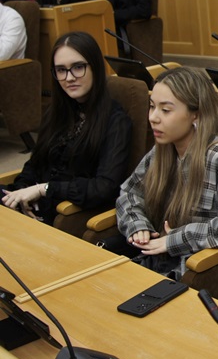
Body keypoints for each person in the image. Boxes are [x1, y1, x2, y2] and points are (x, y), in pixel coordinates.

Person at [115, 66, 218, 280]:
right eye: (152, 107)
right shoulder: (162, 149)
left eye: (165, 110)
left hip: (193, 274)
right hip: (154, 263)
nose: (153, 118)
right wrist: (137, 225)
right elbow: (129, 194)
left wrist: (180, 238)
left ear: (196, 114)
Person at [1, 32, 131, 225]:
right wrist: (21, 193)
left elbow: (104, 187)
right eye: (61, 70)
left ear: (95, 67)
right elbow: (35, 164)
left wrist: (43, 189)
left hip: (66, 211)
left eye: (78, 67)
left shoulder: (115, 120)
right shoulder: (55, 111)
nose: (69, 78)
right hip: (33, 204)